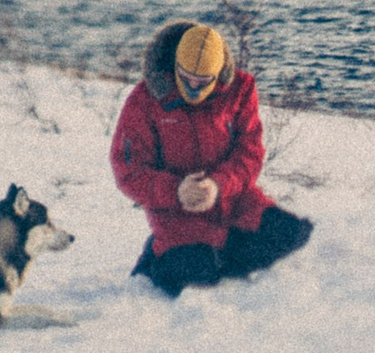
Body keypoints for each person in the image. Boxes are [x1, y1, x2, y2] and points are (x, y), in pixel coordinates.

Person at [110, 20, 313, 296]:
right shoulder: (144, 100)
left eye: (202, 82)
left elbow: (250, 153)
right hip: (176, 211)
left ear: (218, 75)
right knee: (200, 274)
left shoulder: (240, 90)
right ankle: (161, 257)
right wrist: (178, 190)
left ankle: (212, 252)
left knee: (292, 233)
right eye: (186, 78)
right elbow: (128, 170)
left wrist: (218, 185)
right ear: (174, 67)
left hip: (234, 200)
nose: (193, 88)